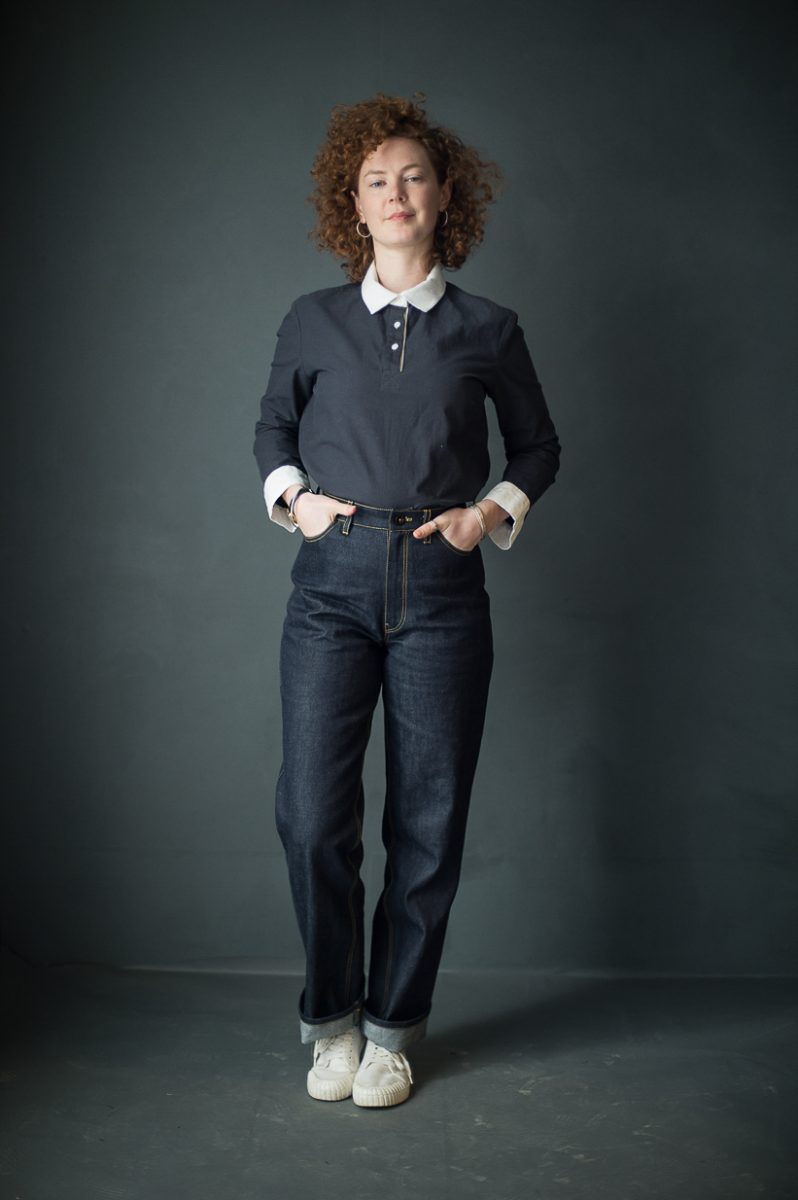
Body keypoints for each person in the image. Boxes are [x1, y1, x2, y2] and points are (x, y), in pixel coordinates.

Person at [253, 93, 560, 1108]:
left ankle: (391, 1032)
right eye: (376, 179)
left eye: (414, 176)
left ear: (444, 197)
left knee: (428, 820)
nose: (396, 193)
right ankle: (332, 1023)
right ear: (353, 203)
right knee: (312, 816)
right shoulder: (313, 319)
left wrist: (488, 514)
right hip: (330, 587)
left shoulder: (488, 327)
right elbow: (272, 429)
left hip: (441, 589)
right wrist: (294, 499)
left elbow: (537, 447)